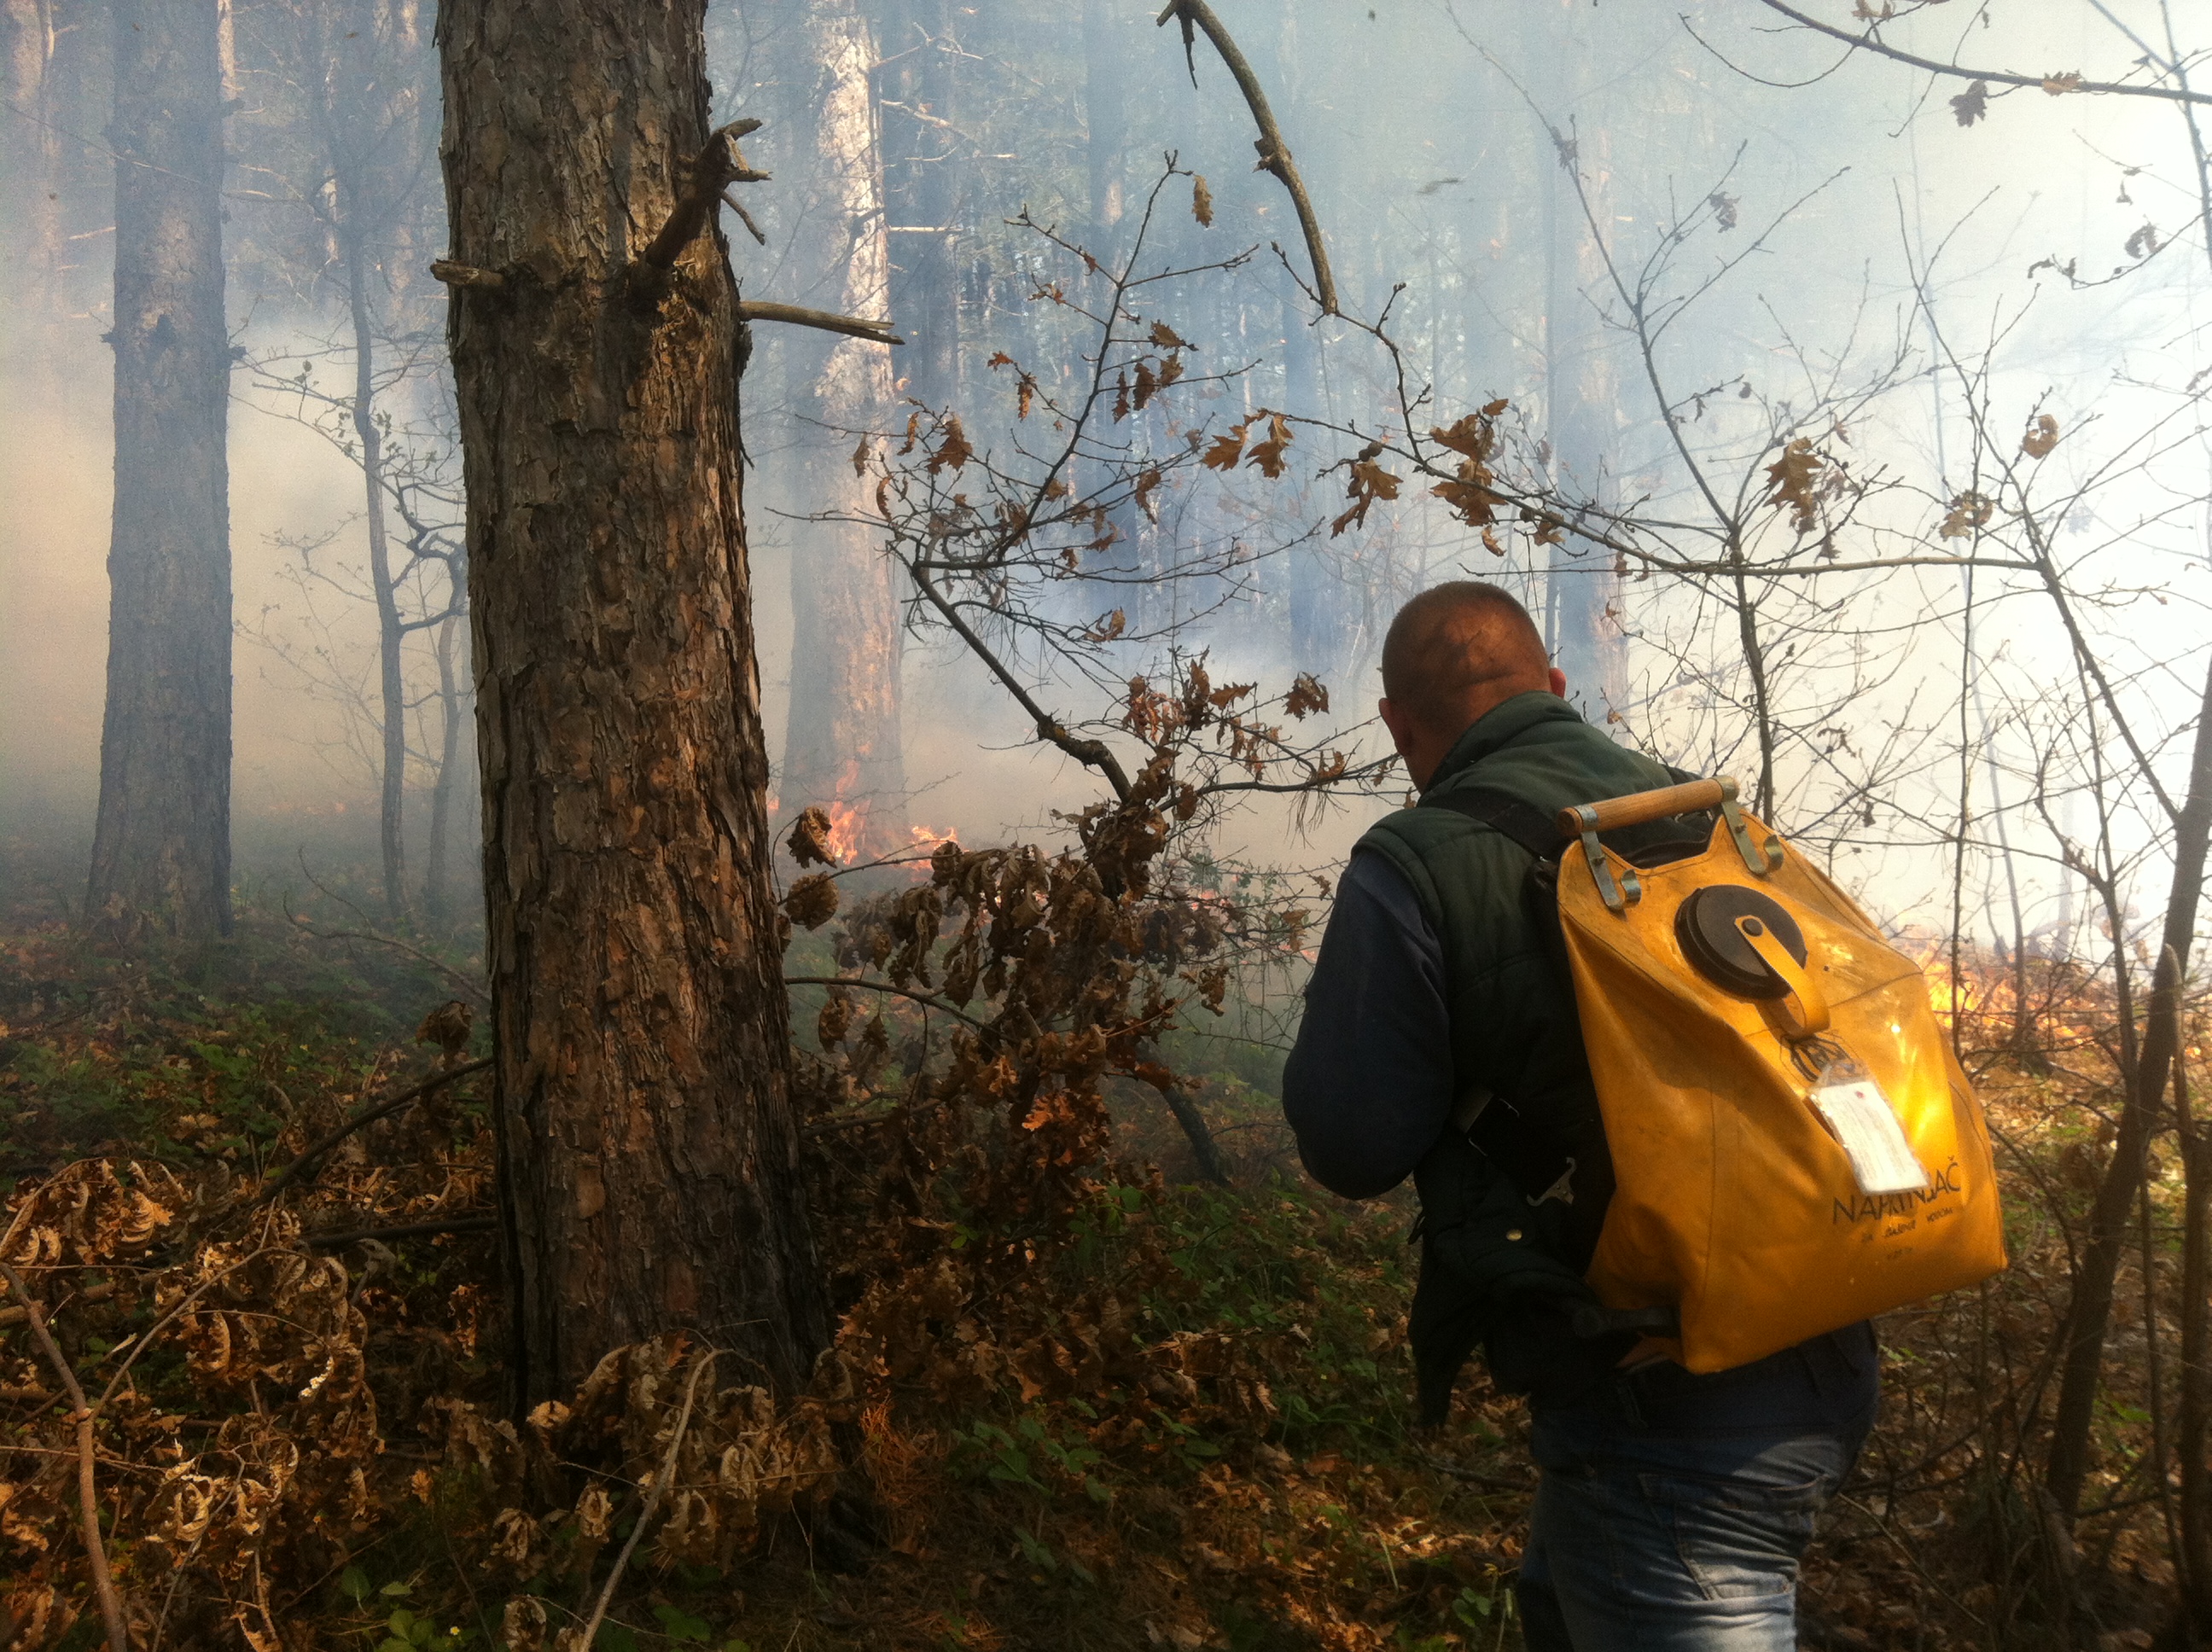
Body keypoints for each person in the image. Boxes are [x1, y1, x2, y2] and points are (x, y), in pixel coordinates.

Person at [1282, 581, 1877, 1652]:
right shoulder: (1715, 824)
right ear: (1555, 688)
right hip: (1824, 1326)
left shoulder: (1417, 863)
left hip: (1669, 1401)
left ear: (1397, 727)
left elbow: (1349, 1143)